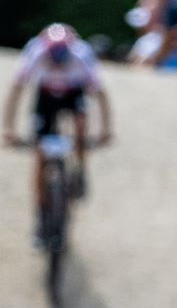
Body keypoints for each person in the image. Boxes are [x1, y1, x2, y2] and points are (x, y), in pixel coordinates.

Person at [3, 23, 112, 248]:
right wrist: (8, 129)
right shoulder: (36, 54)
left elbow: (100, 94)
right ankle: (41, 218)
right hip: (46, 97)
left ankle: (80, 168)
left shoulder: (81, 56)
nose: (58, 60)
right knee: (39, 156)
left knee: (80, 124)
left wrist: (104, 130)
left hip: (73, 93)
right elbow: (16, 90)